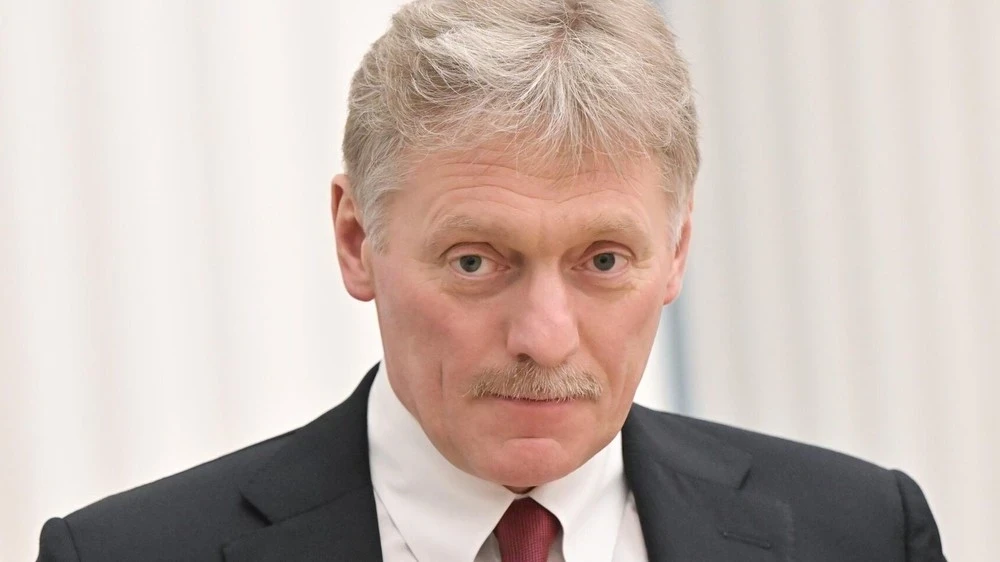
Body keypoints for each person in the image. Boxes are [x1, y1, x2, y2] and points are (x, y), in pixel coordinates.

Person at [37, 0, 947, 560]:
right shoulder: (123, 556)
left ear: (675, 253)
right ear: (356, 240)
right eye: (476, 261)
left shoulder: (864, 536)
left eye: (603, 261)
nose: (543, 338)